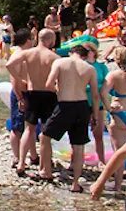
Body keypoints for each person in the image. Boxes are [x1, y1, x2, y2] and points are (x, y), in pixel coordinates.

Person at [41, 42, 98, 191]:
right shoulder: (90, 68)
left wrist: (59, 91)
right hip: (82, 106)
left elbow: (48, 84)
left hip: (65, 104)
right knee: (79, 146)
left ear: (71, 52)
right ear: (84, 56)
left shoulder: (60, 62)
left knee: (45, 136)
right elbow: (95, 95)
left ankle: (46, 170)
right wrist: (96, 116)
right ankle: (76, 183)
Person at [7, 28, 58, 178]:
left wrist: (20, 79)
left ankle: (22, 163)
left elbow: (9, 65)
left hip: (32, 92)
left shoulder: (28, 53)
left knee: (29, 129)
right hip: (48, 95)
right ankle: (45, 166)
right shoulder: (54, 57)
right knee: (45, 131)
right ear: (49, 40)